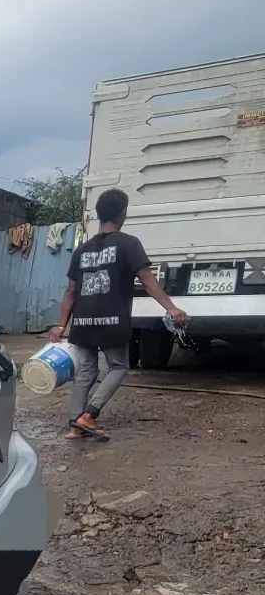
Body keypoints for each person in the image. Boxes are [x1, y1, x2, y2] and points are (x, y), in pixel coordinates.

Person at [50, 188, 188, 441]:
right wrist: (172, 308)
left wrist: (61, 325)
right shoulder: (128, 243)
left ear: (99, 215)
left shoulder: (82, 251)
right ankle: (89, 415)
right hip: (112, 320)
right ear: (122, 213)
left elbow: (71, 291)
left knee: (86, 372)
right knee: (118, 367)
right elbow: (147, 280)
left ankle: (74, 425)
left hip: (83, 321)